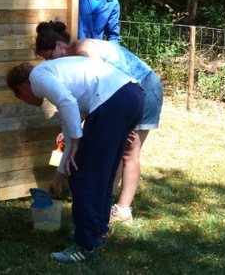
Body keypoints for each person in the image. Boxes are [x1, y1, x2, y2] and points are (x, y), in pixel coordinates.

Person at [6, 57, 144, 263]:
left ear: (21, 88)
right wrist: (57, 179)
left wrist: (78, 143)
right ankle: (97, 232)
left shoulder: (38, 76)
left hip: (114, 100)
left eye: (20, 97)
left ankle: (85, 245)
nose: (25, 101)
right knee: (102, 174)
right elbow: (69, 141)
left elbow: (69, 110)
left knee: (83, 177)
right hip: (132, 96)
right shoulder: (64, 83)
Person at [35, 21, 164, 224]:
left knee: (130, 151)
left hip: (144, 86)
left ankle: (122, 210)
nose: (49, 63)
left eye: (48, 57)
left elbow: (101, 85)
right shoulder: (73, 57)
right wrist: (72, 128)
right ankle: (104, 205)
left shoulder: (83, 49)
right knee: (118, 150)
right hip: (130, 92)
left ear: (59, 46)